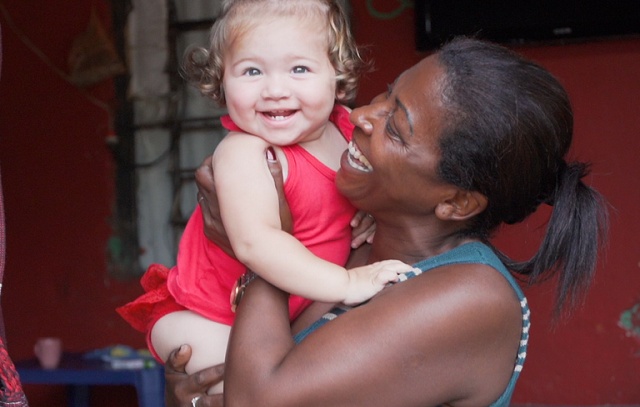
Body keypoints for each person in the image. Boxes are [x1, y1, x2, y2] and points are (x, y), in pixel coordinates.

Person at [164, 37, 609, 407]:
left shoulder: (471, 296)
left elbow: (258, 401)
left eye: (395, 129)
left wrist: (260, 245)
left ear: (456, 201)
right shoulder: (352, 247)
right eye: (386, 94)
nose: (360, 116)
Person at [116, 0, 417, 394]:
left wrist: (371, 212)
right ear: (221, 81)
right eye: (252, 71)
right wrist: (346, 284)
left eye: (299, 69)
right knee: (251, 389)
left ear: (337, 77)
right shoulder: (245, 153)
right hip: (211, 318)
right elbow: (255, 243)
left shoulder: (347, 132)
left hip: (292, 317)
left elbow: (372, 191)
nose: (275, 90)